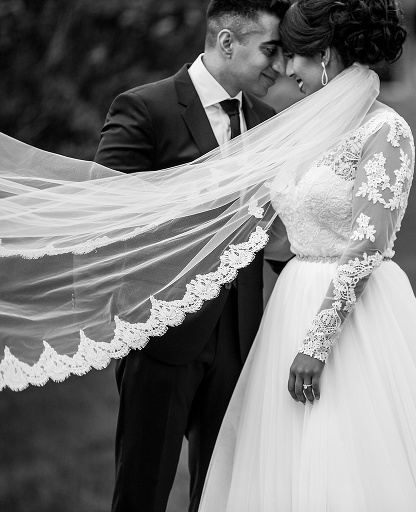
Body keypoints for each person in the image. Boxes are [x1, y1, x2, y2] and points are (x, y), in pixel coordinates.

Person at [196, 0, 416, 510]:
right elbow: (285, 227)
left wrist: (318, 342)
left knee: (349, 460)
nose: (286, 70)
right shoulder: (304, 127)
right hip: (290, 306)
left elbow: (367, 246)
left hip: (350, 319)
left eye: (297, 58)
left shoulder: (385, 131)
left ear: (325, 55)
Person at [93, 1, 291, 511]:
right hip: (162, 336)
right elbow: (106, 219)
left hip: (241, 338)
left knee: (225, 494)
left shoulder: (268, 121)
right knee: (143, 492)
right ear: (227, 42)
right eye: (271, 49)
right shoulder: (145, 108)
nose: (281, 66)